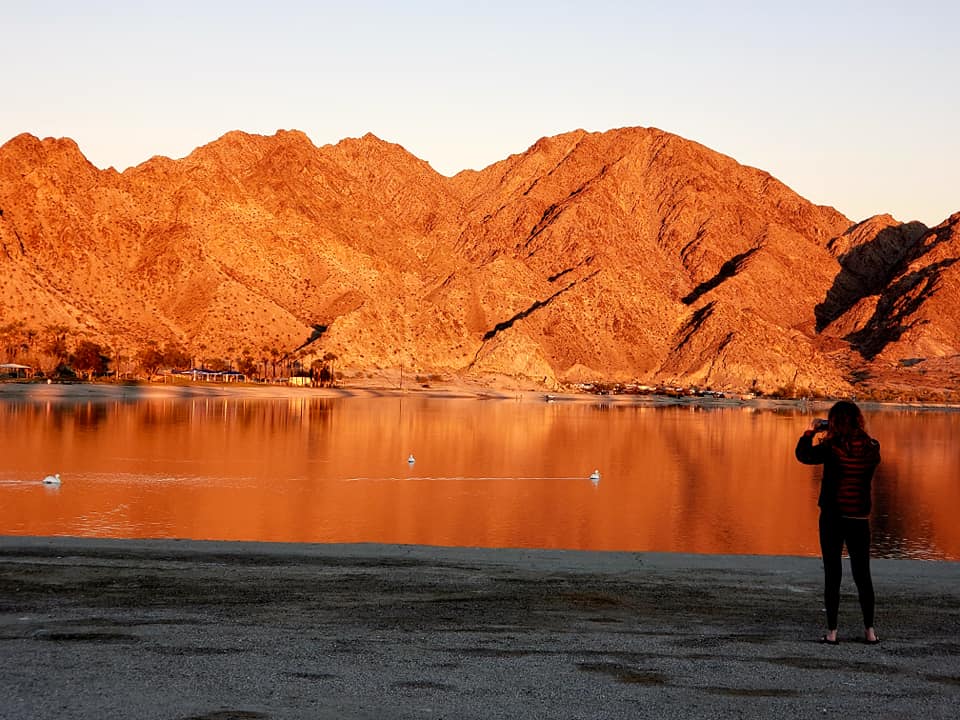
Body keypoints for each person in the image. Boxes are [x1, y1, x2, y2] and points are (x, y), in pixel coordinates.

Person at [795, 400, 881, 645]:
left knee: (833, 574)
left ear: (833, 422)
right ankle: (870, 632)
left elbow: (803, 455)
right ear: (858, 421)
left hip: (833, 518)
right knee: (863, 575)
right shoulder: (872, 448)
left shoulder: (831, 448)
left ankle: (832, 633)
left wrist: (811, 431)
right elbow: (865, 448)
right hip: (859, 519)